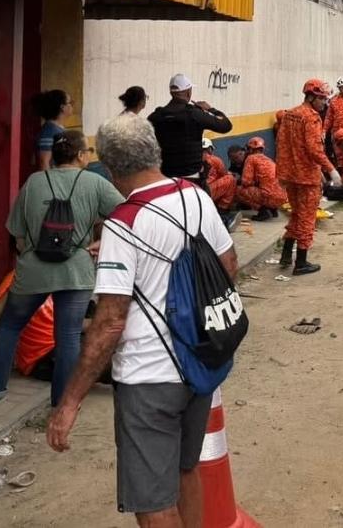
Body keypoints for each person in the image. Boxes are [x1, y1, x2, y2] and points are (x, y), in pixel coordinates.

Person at [47, 114, 239, 527]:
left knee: (153, 502)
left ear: (110, 168)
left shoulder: (124, 223)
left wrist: (70, 401)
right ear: (156, 152)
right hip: (199, 366)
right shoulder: (194, 196)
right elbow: (228, 265)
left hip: (149, 378)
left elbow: (109, 322)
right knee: (185, 471)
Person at [0, 130, 125, 406]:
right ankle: (62, 404)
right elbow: (129, 216)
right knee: (68, 336)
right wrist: (103, 242)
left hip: (33, 270)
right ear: (80, 155)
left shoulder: (34, 182)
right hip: (76, 271)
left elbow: (17, 233)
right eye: (88, 152)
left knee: (10, 325)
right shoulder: (96, 183)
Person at [276, 79, 341, 275]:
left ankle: (286, 255)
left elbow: (281, 144)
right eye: (321, 99)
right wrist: (330, 169)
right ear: (311, 97)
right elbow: (314, 149)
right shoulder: (311, 118)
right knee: (307, 218)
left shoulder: (289, 115)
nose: (324, 103)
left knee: (297, 214)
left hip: (290, 175)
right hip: (306, 177)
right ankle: (301, 262)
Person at [147, 73, 233, 184]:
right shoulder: (194, 114)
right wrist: (210, 109)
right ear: (188, 92)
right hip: (192, 179)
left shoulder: (156, 116)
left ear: (171, 92)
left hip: (165, 178)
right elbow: (226, 125)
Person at [237, 137, 287, 222]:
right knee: (266, 189)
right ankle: (273, 210)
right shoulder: (268, 160)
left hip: (269, 196)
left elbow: (246, 181)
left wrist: (237, 180)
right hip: (282, 197)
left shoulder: (251, 158)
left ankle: (263, 211)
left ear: (250, 149)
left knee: (238, 190)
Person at [32, 89, 73, 169]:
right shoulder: (49, 132)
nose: (72, 106)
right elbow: (44, 162)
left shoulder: (57, 128)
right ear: (62, 107)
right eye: (70, 103)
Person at [201, 139, 236, 214]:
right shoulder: (215, 160)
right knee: (230, 179)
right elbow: (223, 174)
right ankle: (222, 208)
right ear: (209, 149)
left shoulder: (192, 159)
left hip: (192, 192)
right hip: (206, 192)